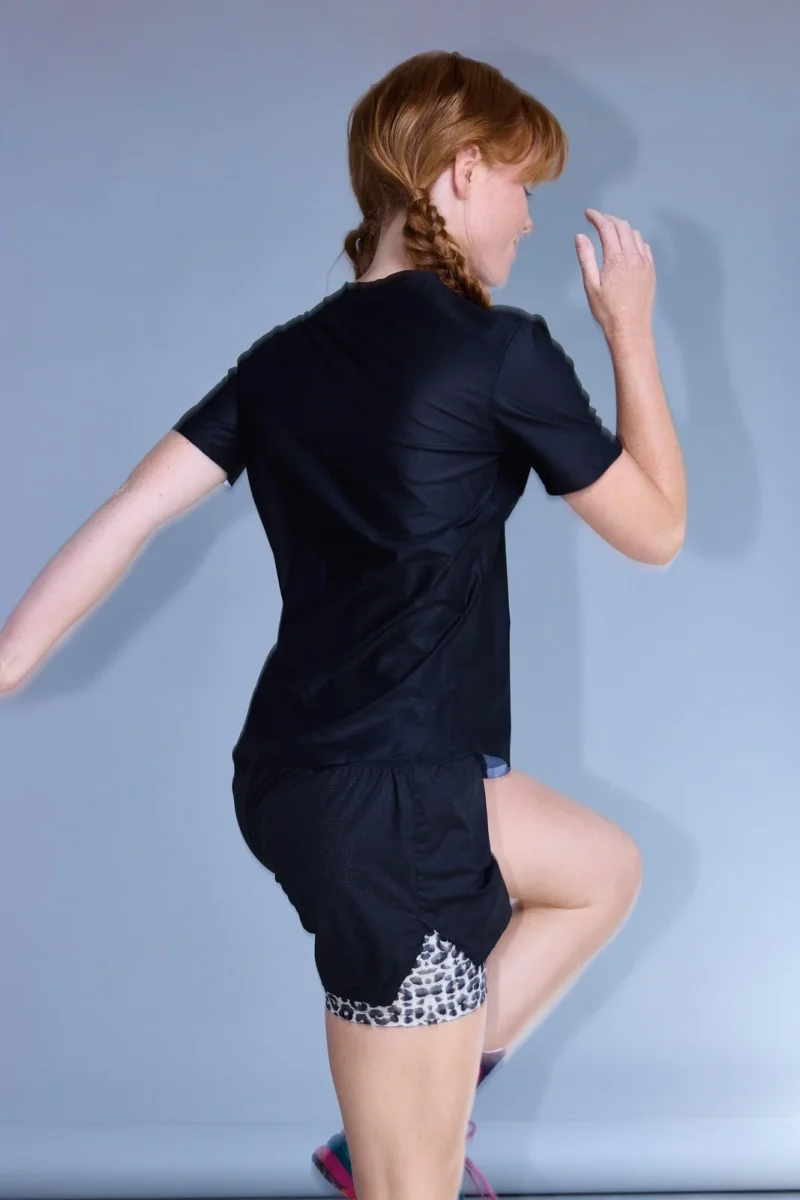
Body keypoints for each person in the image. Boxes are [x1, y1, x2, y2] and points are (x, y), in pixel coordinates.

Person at [0, 50, 686, 1200]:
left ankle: (405, 1109)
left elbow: (131, 512)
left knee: (598, 869)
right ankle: (398, 1138)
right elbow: (656, 528)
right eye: (521, 185)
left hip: (300, 776)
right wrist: (627, 329)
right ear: (460, 172)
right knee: (411, 1191)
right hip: (398, 809)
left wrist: (9, 658)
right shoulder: (499, 351)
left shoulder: (278, 363)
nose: (528, 217)